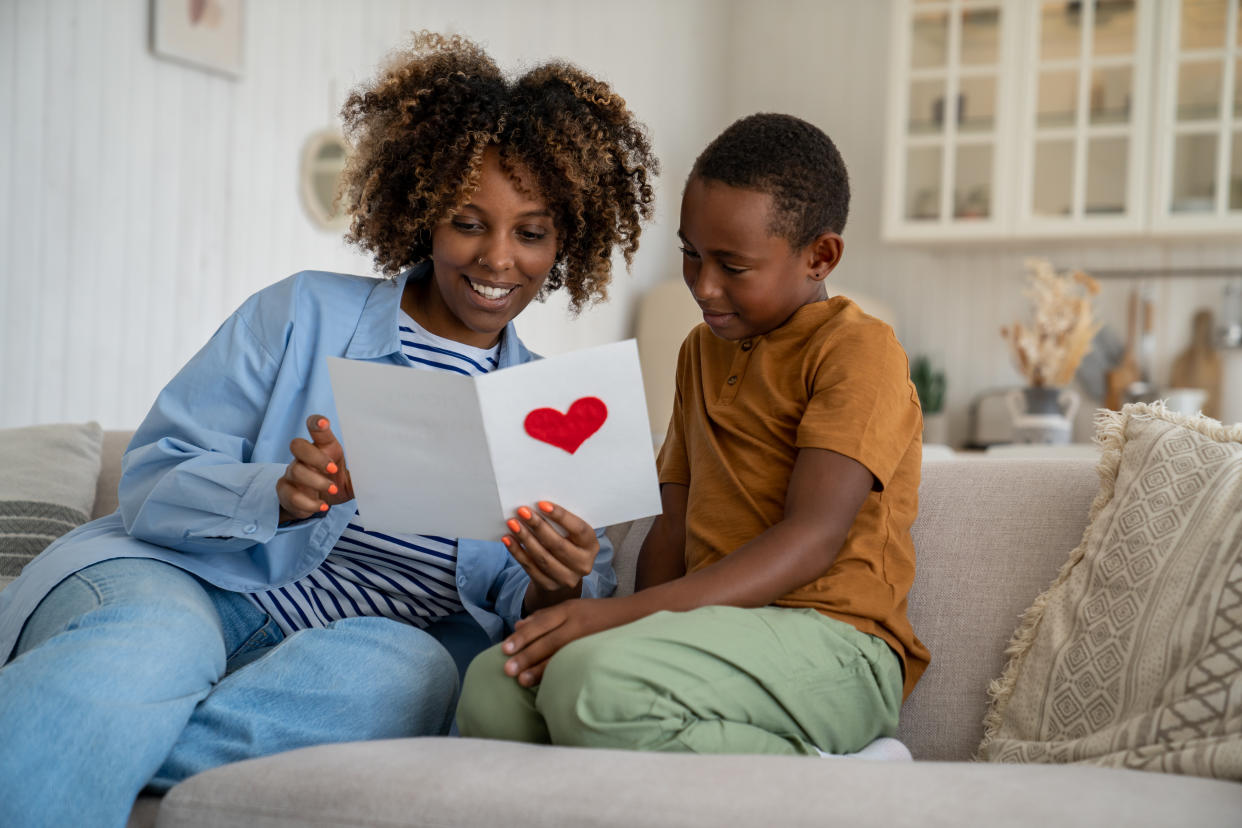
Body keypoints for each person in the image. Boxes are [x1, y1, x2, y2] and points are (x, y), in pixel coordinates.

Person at [0, 32, 657, 827]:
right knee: (149, 645)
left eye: (531, 231)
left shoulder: (547, 404)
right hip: (190, 585)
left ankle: (99, 734)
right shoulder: (303, 311)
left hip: (362, 647)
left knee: (414, 675)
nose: (497, 258)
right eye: (468, 221)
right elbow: (151, 479)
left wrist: (558, 576)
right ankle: (100, 720)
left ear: (564, 244)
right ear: (423, 211)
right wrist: (273, 491)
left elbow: (547, 616)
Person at [456, 113, 929, 758]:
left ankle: (845, 777)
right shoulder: (699, 352)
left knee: (591, 685)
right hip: (710, 635)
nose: (704, 286)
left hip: (836, 645)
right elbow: (671, 528)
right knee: (496, 684)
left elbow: (812, 538)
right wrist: (624, 629)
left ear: (820, 256)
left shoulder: (858, 350)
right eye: (691, 254)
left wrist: (618, 623)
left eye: (733, 266)